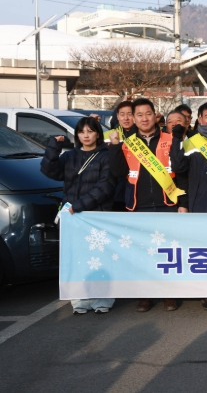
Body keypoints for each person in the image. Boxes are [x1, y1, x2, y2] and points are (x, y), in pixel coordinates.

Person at [108, 98, 185, 313]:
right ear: (133, 118)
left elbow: (182, 173)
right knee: (142, 252)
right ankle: (145, 295)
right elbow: (117, 172)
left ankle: (169, 295)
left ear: (155, 115)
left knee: (168, 251)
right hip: (138, 205)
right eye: (139, 115)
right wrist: (114, 147)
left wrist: (183, 203)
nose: (144, 118)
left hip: (167, 203)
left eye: (148, 113)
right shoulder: (127, 143)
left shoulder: (171, 139)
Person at [40, 117, 116, 315]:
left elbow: (105, 186)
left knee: (100, 257)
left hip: (97, 215)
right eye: (82, 132)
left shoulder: (106, 156)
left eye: (90, 131)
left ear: (98, 134)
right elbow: (49, 171)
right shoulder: (70, 156)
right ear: (77, 135)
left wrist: (79, 205)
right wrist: (53, 147)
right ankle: (80, 298)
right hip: (74, 217)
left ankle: (102, 298)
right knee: (77, 257)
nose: (86, 135)